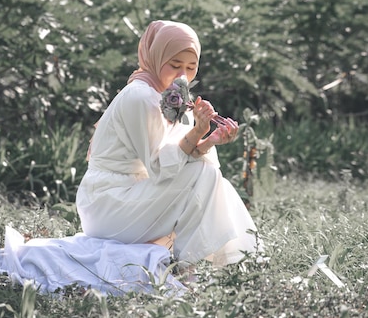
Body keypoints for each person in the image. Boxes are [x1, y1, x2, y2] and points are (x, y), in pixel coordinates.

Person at [76, 19, 261, 268]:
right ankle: (191, 266)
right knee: (202, 172)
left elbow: (180, 156)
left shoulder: (173, 95)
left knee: (207, 174)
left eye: (191, 67)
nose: (183, 75)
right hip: (107, 203)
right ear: (156, 58)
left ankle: (205, 263)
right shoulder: (139, 96)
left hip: (135, 194)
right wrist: (197, 131)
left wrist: (209, 139)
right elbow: (161, 168)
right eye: (174, 65)